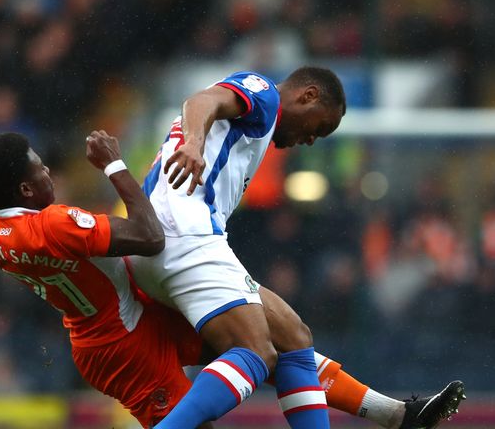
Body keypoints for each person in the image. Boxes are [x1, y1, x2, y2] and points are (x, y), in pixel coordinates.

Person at [128, 66, 465, 429]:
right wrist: (194, 143)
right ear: (308, 96)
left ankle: (395, 415)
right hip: (184, 233)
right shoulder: (263, 94)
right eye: (318, 128)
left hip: (156, 241)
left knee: (293, 336)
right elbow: (202, 100)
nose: (310, 140)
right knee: (257, 351)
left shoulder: (253, 128)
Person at [0, 131, 207, 428]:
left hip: (121, 324)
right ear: (25, 190)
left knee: (246, 345)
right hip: (123, 344)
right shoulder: (54, 226)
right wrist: (114, 163)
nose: (47, 170)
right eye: (39, 168)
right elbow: (150, 236)